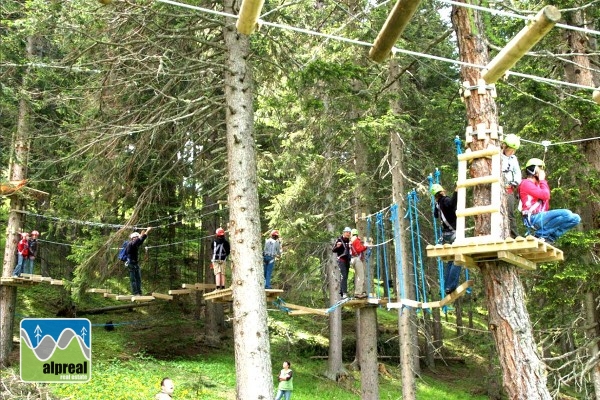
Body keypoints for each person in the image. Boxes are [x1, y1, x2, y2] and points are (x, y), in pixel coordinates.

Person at [518, 158, 580, 244]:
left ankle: (550, 238)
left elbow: (546, 201)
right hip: (533, 217)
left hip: (540, 216)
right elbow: (545, 195)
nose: (542, 172)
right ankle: (540, 234)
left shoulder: (537, 185)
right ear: (534, 170)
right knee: (566, 213)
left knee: (576, 218)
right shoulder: (526, 183)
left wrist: (541, 182)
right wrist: (542, 180)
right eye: (540, 169)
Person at [431, 184, 462, 295]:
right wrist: (456, 191)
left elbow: (435, 215)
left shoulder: (437, 204)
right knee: (458, 258)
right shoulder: (445, 200)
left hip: (446, 235)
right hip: (453, 232)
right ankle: (451, 286)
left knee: (451, 259)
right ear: (442, 192)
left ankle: (447, 287)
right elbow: (452, 204)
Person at [501, 134, 522, 238]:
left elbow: (518, 173)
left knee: (510, 212)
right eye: (511, 150)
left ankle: (514, 235)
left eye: (514, 151)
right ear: (505, 147)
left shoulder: (513, 158)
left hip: (509, 187)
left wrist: (516, 182)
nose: (512, 152)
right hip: (499, 186)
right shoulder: (498, 156)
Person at [125, 227, 151, 295]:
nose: (137, 238)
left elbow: (141, 240)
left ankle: (139, 292)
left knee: (138, 279)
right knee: (133, 280)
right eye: (135, 237)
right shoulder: (130, 244)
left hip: (135, 264)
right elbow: (137, 241)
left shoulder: (136, 244)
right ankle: (135, 293)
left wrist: (147, 231)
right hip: (131, 264)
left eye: (137, 237)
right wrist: (140, 236)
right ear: (133, 238)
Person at [332, 227, 352, 299]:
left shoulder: (349, 241)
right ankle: (344, 293)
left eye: (349, 233)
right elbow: (333, 250)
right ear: (344, 232)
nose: (348, 234)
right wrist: (338, 246)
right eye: (347, 232)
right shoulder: (339, 240)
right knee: (344, 276)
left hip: (347, 260)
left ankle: (342, 292)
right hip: (341, 260)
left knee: (345, 276)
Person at [349, 228, 368, 299]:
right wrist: (365, 246)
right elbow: (359, 249)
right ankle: (358, 293)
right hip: (357, 259)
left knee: (357, 277)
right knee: (361, 276)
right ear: (356, 234)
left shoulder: (351, 241)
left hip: (352, 259)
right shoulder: (356, 240)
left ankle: (357, 292)